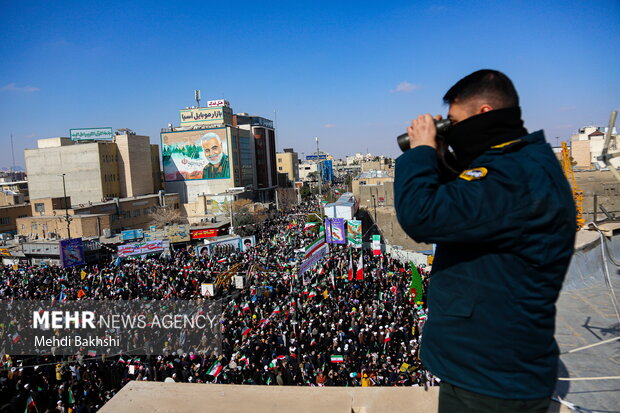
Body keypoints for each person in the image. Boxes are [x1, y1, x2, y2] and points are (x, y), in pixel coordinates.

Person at [394, 69, 576, 413]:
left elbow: (421, 215)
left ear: (484, 114)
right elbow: (466, 203)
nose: (450, 130)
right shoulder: (517, 165)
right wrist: (440, 153)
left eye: (453, 122)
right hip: (491, 370)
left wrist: (419, 150)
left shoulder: (514, 175)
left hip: (492, 384)